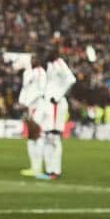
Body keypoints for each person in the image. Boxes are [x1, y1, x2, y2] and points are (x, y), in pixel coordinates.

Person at [36, 51, 76, 180]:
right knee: (47, 137)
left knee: (54, 138)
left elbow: (71, 79)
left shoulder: (59, 63)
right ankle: (49, 170)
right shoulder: (49, 65)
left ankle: (55, 171)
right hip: (48, 104)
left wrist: (58, 95)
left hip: (55, 104)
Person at [17, 51, 47, 177]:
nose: (32, 60)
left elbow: (40, 91)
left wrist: (26, 102)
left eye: (35, 58)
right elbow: (26, 89)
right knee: (31, 139)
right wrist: (21, 102)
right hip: (30, 108)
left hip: (38, 107)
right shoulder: (29, 73)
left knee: (37, 137)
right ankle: (33, 167)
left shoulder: (40, 72)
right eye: (31, 58)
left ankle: (38, 168)